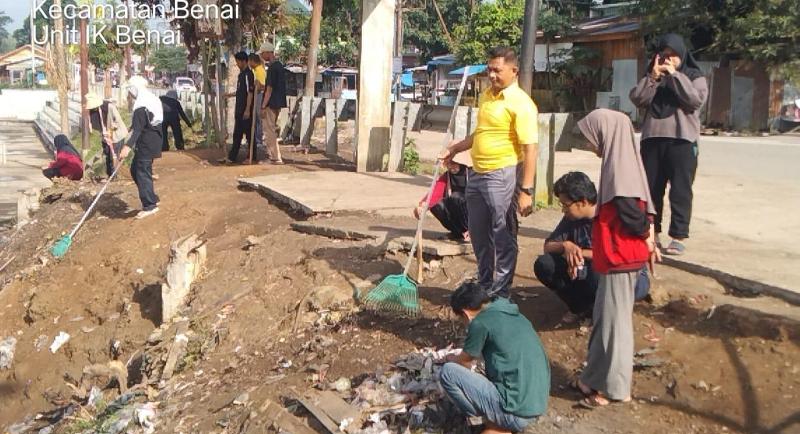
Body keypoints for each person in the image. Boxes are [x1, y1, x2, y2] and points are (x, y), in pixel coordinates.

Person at [573, 109, 660, 408]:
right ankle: (592, 378)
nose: (590, 144)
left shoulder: (621, 171)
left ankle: (615, 388)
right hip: (614, 258)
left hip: (621, 257)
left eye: (592, 137)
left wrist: (648, 235)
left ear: (606, 135)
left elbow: (635, 219)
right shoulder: (620, 165)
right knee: (604, 321)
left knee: (616, 325)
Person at [440, 46, 539, 298]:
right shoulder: (486, 96)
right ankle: (485, 282)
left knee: (503, 233)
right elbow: (480, 133)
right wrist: (456, 148)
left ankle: (501, 291)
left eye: (497, 70)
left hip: (502, 174)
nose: (492, 75)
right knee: (478, 231)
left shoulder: (521, 104)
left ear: (514, 71)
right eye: (489, 69)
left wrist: (526, 190)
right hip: (477, 173)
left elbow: (531, 150)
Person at [534, 172, 652, 324]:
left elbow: (617, 256)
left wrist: (580, 254)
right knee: (545, 264)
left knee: (599, 271)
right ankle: (581, 307)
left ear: (582, 202)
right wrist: (565, 246)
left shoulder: (611, 215)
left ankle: (606, 312)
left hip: (629, 277)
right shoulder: (571, 218)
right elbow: (548, 247)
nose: (563, 210)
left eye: (565, 205)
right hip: (589, 273)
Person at [629, 33, 708, 256]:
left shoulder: (694, 76)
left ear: (682, 55)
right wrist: (653, 78)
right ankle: (652, 233)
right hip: (653, 141)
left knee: (681, 191)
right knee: (651, 190)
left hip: (682, 141)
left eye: (673, 55)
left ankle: (679, 236)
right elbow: (638, 99)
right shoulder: (653, 76)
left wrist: (674, 75)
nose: (668, 59)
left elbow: (693, 100)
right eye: (664, 55)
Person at [440, 280, 550, 434]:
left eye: (461, 319)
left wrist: (450, 359)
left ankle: (478, 422)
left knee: (448, 372)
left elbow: (464, 362)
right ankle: (501, 424)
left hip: (515, 411)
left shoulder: (480, 322)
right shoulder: (511, 313)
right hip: (537, 403)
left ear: (465, 313)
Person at [118, 75, 163, 219]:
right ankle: (151, 197)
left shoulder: (140, 105)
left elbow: (138, 129)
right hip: (155, 138)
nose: (129, 94)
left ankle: (149, 206)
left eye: (129, 91)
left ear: (134, 89)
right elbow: (143, 122)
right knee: (135, 169)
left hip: (146, 142)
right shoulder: (152, 99)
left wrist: (127, 147)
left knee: (142, 172)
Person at [413, 159, 469, 242]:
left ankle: (472, 232)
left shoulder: (473, 175)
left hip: (473, 214)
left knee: (456, 197)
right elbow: (435, 193)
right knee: (436, 206)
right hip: (457, 211)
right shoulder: (447, 176)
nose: (450, 167)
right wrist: (423, 205)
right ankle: (457, 232)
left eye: (453, 164)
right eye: (448, 164)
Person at [222, 51, 255, 164]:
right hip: (239, 109)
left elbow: (250, 93)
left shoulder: (248, 75)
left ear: (244, 61)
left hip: (245, 110)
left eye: (238, 62)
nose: (237, 65)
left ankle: (251, 156)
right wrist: (229, 95)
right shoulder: (241, 75)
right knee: (237, 134)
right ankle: (232, 157)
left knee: (249, 135)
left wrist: (247, 109)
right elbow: (241, 92)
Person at [86, 92, 128, 177]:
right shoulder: (93, 111)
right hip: (105, 137)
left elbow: (117, 121)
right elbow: (98, 125)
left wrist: (111, 130)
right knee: (107, 155)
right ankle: (110, 175)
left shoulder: (109, 107)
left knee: (114, 155)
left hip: (116, 135)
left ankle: (114, 176)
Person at [259, 42, 287, 164]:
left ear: (267, 53)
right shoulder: (280, 66)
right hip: (279, 102)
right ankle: (275, 156)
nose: (261, 56)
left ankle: (274, 157)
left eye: (262, 53)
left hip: (271, 103)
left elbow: (269, 89)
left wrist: (263, 105)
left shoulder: (271, 68)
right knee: (272, 129)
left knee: (269, 131)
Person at [248, 53, 266, 152]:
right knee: (254, 118)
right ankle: (254, 139)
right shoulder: (255, 70)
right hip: (256, 95)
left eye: (249, 61)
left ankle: (259, 140)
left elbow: (263, 85)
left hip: (259, 95)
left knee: (258, 118)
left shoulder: (259, 71)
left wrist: (257, 86)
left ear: (252, 61)